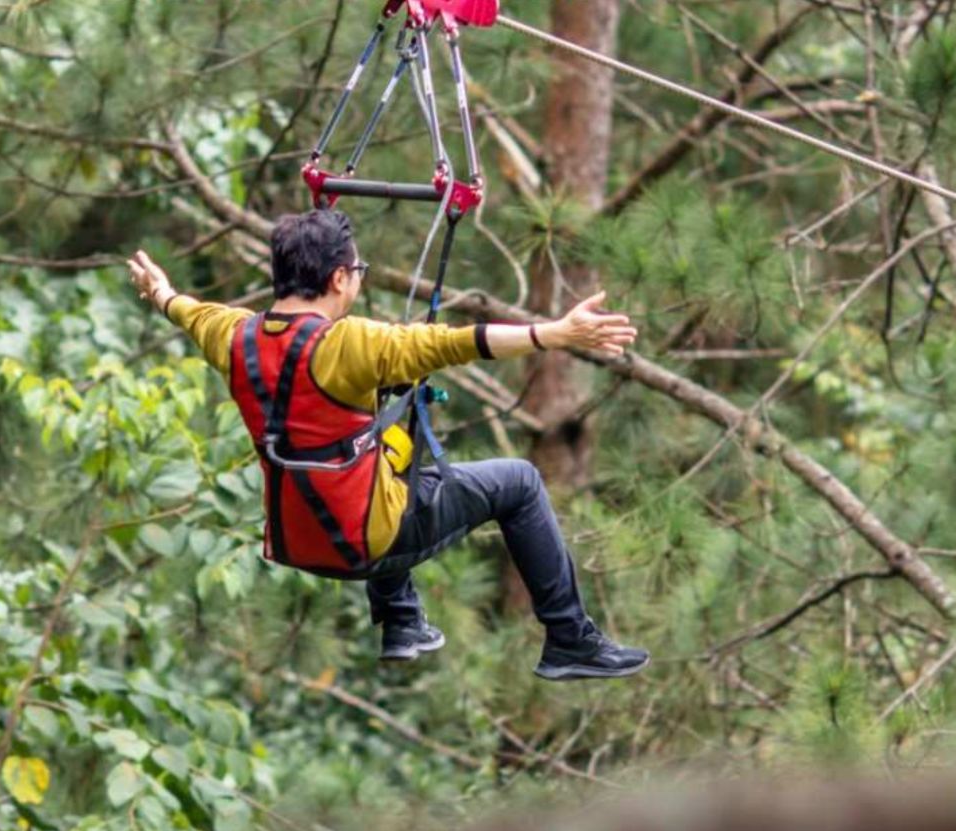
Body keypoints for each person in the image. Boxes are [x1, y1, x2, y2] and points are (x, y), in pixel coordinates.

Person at [125, 208, 649, 680]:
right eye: (358, 272)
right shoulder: (350, 344)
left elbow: (186, 311)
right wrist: (553, 334)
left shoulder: (233, 335)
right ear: (337, 278)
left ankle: (401, 620)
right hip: (369, 539)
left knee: (391, 425)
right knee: (520, 481)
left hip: (297, 540)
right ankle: (570, 639)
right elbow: (458, 342)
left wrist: (161, 292)